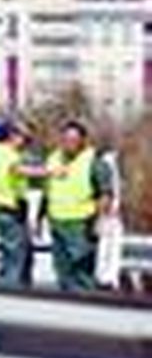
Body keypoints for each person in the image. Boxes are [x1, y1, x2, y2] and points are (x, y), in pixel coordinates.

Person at [42, 119, 117, 292]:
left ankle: (86, 303)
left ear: (83, 140)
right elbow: (48, 190)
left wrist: (100, 220)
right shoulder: (53, 158)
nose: (69, 144)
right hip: (57, 222)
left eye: (74, 140)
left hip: (81, 225)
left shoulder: (94, 162)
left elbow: (105, 193)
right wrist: (40, 217)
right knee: (62, 271)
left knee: (81, 272)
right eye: (66, 139)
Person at [0, 120, 39, 287]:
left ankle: (10, 287)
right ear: (13, 136)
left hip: (12, 209)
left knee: (15, 255)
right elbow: (19, 170)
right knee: (16, 257)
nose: (27, 144)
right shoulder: (6, 154)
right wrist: (50, 172)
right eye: (26, 139)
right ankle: (11, 292)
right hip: (9, 210)